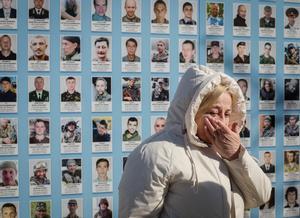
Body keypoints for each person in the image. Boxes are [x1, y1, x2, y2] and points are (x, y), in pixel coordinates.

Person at [119, 65, 271, 217]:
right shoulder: (155, 153)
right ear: (191, 111)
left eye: (227, 114)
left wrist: (236, 155)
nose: (222, 122)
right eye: (213, 112)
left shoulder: (226, 147)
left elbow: (261, 196)